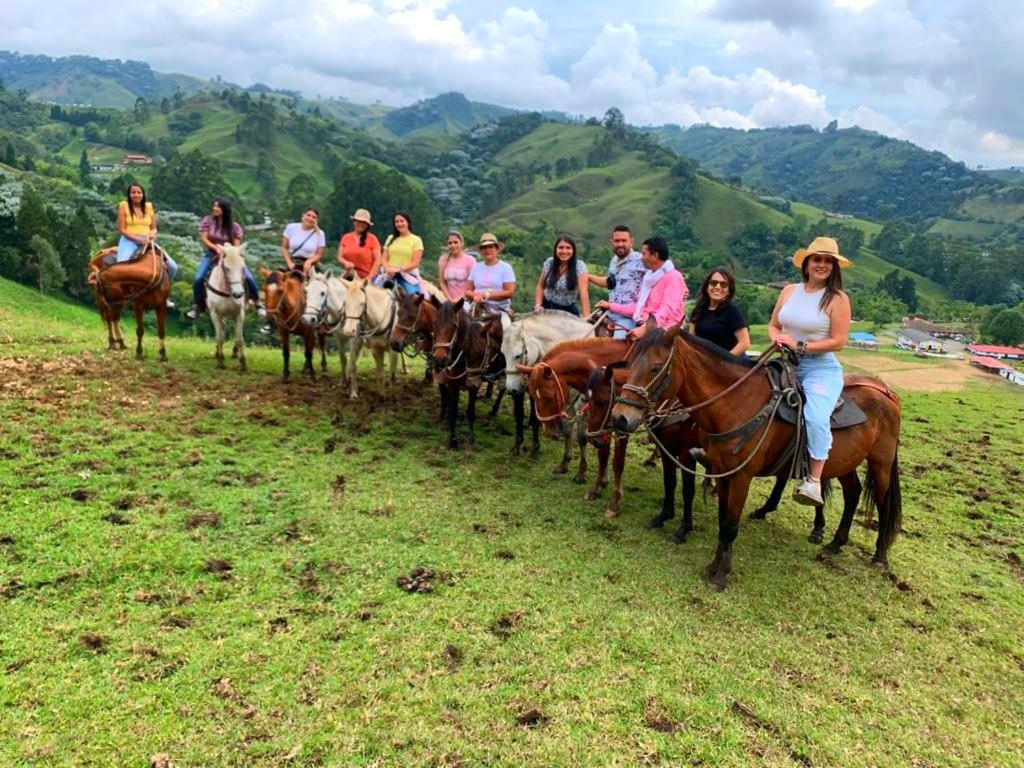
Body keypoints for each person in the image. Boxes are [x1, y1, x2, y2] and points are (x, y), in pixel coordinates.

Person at [767, 236, 853, 506]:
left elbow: (838, 342)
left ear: (834, 267)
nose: (822, 265)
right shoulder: (789, 290)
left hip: (819, 368)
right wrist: (777, 338)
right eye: (817, 259)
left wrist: (800, 345)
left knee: (815, 417)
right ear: (806, 263)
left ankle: (814, 481)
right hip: (784, 361)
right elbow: (773, 325)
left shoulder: (837, 299)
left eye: (828, 261)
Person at [91, 182, 177, 305]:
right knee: (121, 266)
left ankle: (164, 294)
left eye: (139, 192)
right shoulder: (124, 206)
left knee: (173, 267)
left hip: (147, 241)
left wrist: (152, 234)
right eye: (133, 192)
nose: (136, 195)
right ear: (129, 194)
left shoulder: (149, 206)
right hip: (129, 240)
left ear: (143, 194)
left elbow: (154, 227)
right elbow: (122, 229)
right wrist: (138, 240)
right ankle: (115, 293)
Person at [186, 198, 264, 319]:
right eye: (214, 206)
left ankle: (258, 303)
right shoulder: (208, 221)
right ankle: (197, 306)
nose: (214, 208)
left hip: (231, 256)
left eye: (218, 207)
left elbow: (237, 245)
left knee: (248, 277)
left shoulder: (234, 227)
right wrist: (216, 249)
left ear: (224, 210)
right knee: (198, 277)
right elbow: (205, 239)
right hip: (212, 254)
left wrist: (229, 252)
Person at [596, 236, 685, 340]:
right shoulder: (648, 277)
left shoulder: (674, 277)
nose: (641, 257)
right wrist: (610, 306)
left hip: (665, 331)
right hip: (646, 324)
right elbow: (638, 307)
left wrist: (644, 329)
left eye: (643, 254)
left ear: (654, 255)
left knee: (620, 348)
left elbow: (666, 310)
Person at [588, 225, 645, 338]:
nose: (620, 244)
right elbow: (610, 283)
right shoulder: (613, 261)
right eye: (617, 241)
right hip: (609, 311)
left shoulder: (641, 260)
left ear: (631, 241)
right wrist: (587, 277)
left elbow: (661, 273)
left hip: (627, 316)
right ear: (612, 242)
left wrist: (682, 289)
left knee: (618, 345)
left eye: (624, 240)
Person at [689, 267, 749, 355]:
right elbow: (691, 340)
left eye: (723, 284)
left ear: (729, 291)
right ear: (707, 287)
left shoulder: (732, 310)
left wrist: (723, 362)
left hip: (729, 364)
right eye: (713, 283)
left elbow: (744, 343)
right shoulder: (698, 309)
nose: (717, 287)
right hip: (703, 363)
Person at [533, 234, 589, 316]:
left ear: (573, 250)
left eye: (568, 248)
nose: (564, 251)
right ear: (556, 249)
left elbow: (583, 293)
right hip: (545, 307)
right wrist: (538, 305)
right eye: (561, 247)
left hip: (567, 311)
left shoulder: (579, 266)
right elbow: (540, 286)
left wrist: (586, 317)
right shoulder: (549, 262)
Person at [466, 232, 516, 313]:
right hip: (477, 305)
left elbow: (510, 292)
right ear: (481, 250)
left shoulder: (506, 268)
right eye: (484, 247)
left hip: (499, 308)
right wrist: (475, 295)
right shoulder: (476, 267)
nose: (487, 250)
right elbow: (467, 290)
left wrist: (487, 295)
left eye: (490, 247)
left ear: (496, 249)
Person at [379, 212, 424, 294]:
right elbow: (384, 258)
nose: (399, 224)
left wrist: (398, 269)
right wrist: (387, 269)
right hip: (389, 274)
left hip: (407, 275)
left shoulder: (416, 240)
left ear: (408, 222)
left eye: (402, 221)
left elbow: (415, 263)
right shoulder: (390, 238)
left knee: (412, 298)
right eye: (396, 222)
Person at [337, 208, 381, 279]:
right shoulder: (346, 237)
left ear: (367, 225)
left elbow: (378, 260)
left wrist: (369, 278)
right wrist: (345, 262)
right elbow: (339, 257)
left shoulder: (372, 239)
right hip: (349, 275)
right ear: (354, 222)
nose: (361, 224)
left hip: (366, 277)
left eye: (364, 223)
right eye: (359, 221)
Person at [281, 207, 325, 276]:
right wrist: (289, 263)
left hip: (310, 266)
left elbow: (318, 254)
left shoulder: (320, 233)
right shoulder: (291, 227)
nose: (310, 218)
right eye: (308, 215)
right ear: (303, 216)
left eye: (314, 217)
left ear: (317, 220)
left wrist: (309, 261)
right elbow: (284, 248)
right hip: (293, 264)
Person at [438, 230, 476, 302]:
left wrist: (458, 299)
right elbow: (442, 282)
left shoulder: (470, 260)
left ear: (462, 243)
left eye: (456, 242)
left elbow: (471, 285)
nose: (453, 245)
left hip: (466, 299)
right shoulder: (443, 260)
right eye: (450, 243)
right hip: (448, 299)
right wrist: (449, 298)